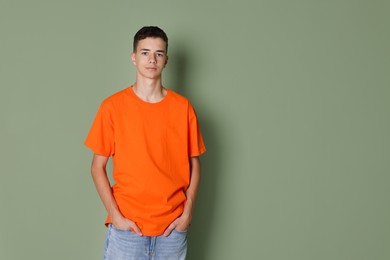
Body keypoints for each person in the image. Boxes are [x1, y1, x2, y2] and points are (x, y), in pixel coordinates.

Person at [84, 26, 206, 260]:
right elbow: (96, 167)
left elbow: (195, 163)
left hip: (172, 229)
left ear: (166, 60)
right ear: (133, 57)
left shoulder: (183, 108)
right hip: (128, 229)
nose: (152, 59)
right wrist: (115, 215)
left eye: (159, 53)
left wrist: (187, 212)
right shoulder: (112, 107)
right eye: (145, 52)